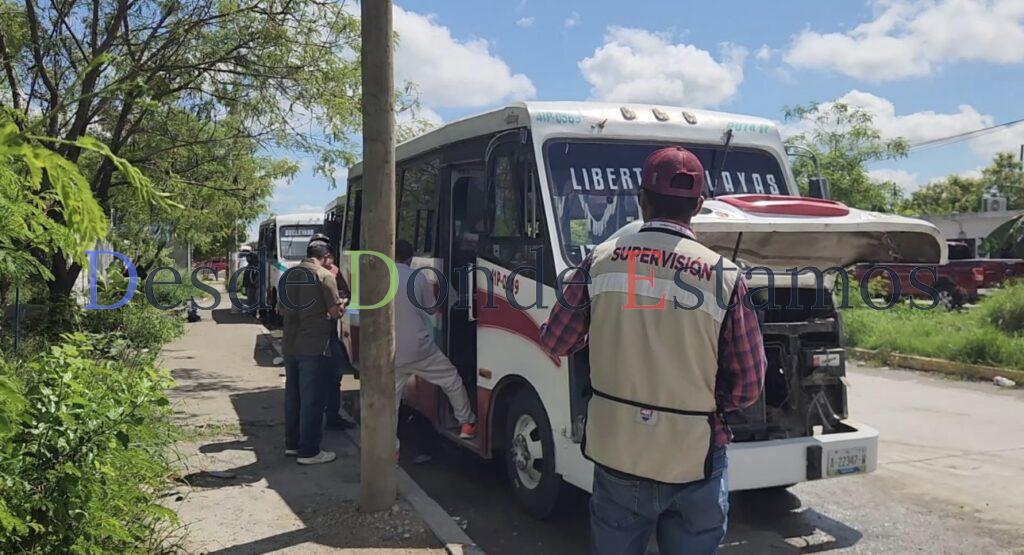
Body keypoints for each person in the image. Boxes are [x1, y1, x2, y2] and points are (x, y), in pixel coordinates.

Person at [539, 147, 766, 555]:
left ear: (641, 199)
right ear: (698, 206)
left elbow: (556, 341)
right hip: (693, 455)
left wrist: (604, 336)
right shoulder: (726, 277)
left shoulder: (600, 261)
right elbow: (748, 385)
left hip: (619, 450)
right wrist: (702, 405)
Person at [394, 239, 477, 444]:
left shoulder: (380, 278)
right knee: (451, 379)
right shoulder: (417, 277)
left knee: (391, 402)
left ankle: (391, 448)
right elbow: (431, 309)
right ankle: (466, 423)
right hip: (419, 348)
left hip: (391, 351)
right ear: (410, 258)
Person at [277, 241, 344, 465]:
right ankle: (310, 451)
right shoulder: (324, 276)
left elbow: (280, 309)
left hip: (290, 344)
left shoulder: (288, 275)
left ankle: (292, 445)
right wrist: (341, 304)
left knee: (293, 396)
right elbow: (334, 312)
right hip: (315, 346)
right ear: (326, 256)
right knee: (312, 399)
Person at [308, 234, 356, 431]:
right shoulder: (310, 273)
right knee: (316, 378)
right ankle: (315, 420)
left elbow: (346, 293)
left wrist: (342, 301)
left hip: (327, 333)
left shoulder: (334, 272)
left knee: (334, 376)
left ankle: (331, 416)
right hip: (317, 334)